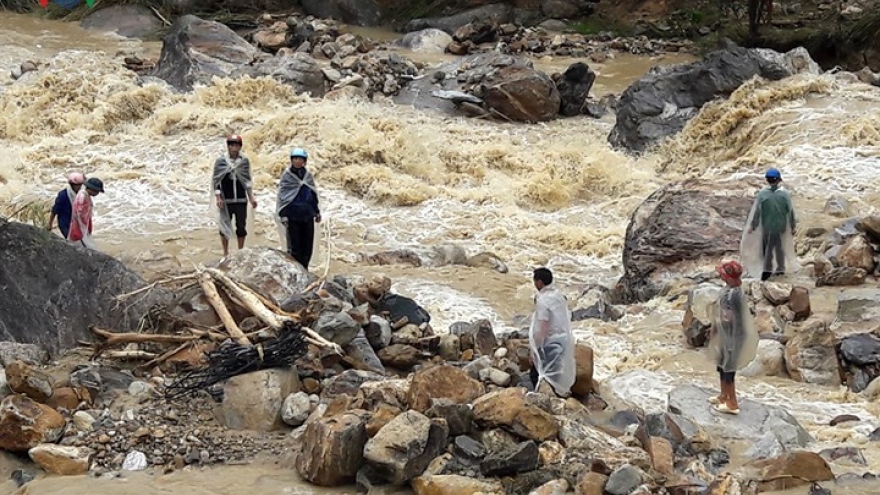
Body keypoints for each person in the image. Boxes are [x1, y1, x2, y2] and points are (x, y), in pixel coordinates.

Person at [708, 260, 758, 415]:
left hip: (734, 336)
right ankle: (723, 395)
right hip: (725, 335)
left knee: (729, 368)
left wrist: (718, 321)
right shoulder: (729, 291)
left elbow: (729, 318)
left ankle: (732, 402)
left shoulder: (734, 296)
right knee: (722, 365)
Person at [740, 168, 798, 281]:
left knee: (767, 248)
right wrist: (792, 226)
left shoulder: (762, 194)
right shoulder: (784, 194)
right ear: (779, 181)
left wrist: (753, 226)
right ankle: (780, 268)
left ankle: (767, 270)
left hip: (767, 226)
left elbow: (757, 211)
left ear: (767, 180)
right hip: (780, 226)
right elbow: (790, 211)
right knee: (779, 247)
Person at [529, 268, 576, 397]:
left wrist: (536, 348)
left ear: (539, 282)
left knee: (538, 373)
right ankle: (558, 395)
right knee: (555, 371)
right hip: (562, 339)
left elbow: (543, 325)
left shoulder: (543, 301)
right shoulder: (558, 296)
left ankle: (544, 399)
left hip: (551, 342)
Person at [276, 148, 321, 268]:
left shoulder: (307, 176)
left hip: (307, 215)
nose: (297, 161)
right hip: (293, 216)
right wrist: (284, 215)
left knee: (307, 248)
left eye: (300, 159)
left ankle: (305, 270)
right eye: (295, 159)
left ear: (304, 161)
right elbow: (283, 197)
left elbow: (312, 193)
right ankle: (296, 271)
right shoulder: (287, 176)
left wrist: (316, 211)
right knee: (295, 248)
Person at [212, 135, 257, 257]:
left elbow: (247, 180)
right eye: (231, 145)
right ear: (227, 146)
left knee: (241, 226)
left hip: (241, 199)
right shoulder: (221, 161)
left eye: (236, 145)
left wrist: (251, 197)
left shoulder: (244, 161)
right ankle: (225, 252)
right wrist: (218, 197)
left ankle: (240, 251)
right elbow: (216, 180)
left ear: (240, 146)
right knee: (224, 226)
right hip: (226, 199)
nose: (233, 147)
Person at [68, 177, 104, 249]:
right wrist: (82, 228)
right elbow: (79, 213)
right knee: (82, 244)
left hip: (82, 225)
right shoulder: (82, 196)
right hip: (79, 225)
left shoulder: (85, 195)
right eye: (97, 191)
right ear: (91, 189)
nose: (97, 193)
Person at [48, 172, 85, 239]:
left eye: (80, 185)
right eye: (77, 185)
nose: (79, 187)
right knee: (71, 240)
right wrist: (50, 224)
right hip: (65, 224)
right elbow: (55, 210)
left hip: (76, 222)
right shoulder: (63, 196)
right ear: (72, 185)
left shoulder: (80, 194)